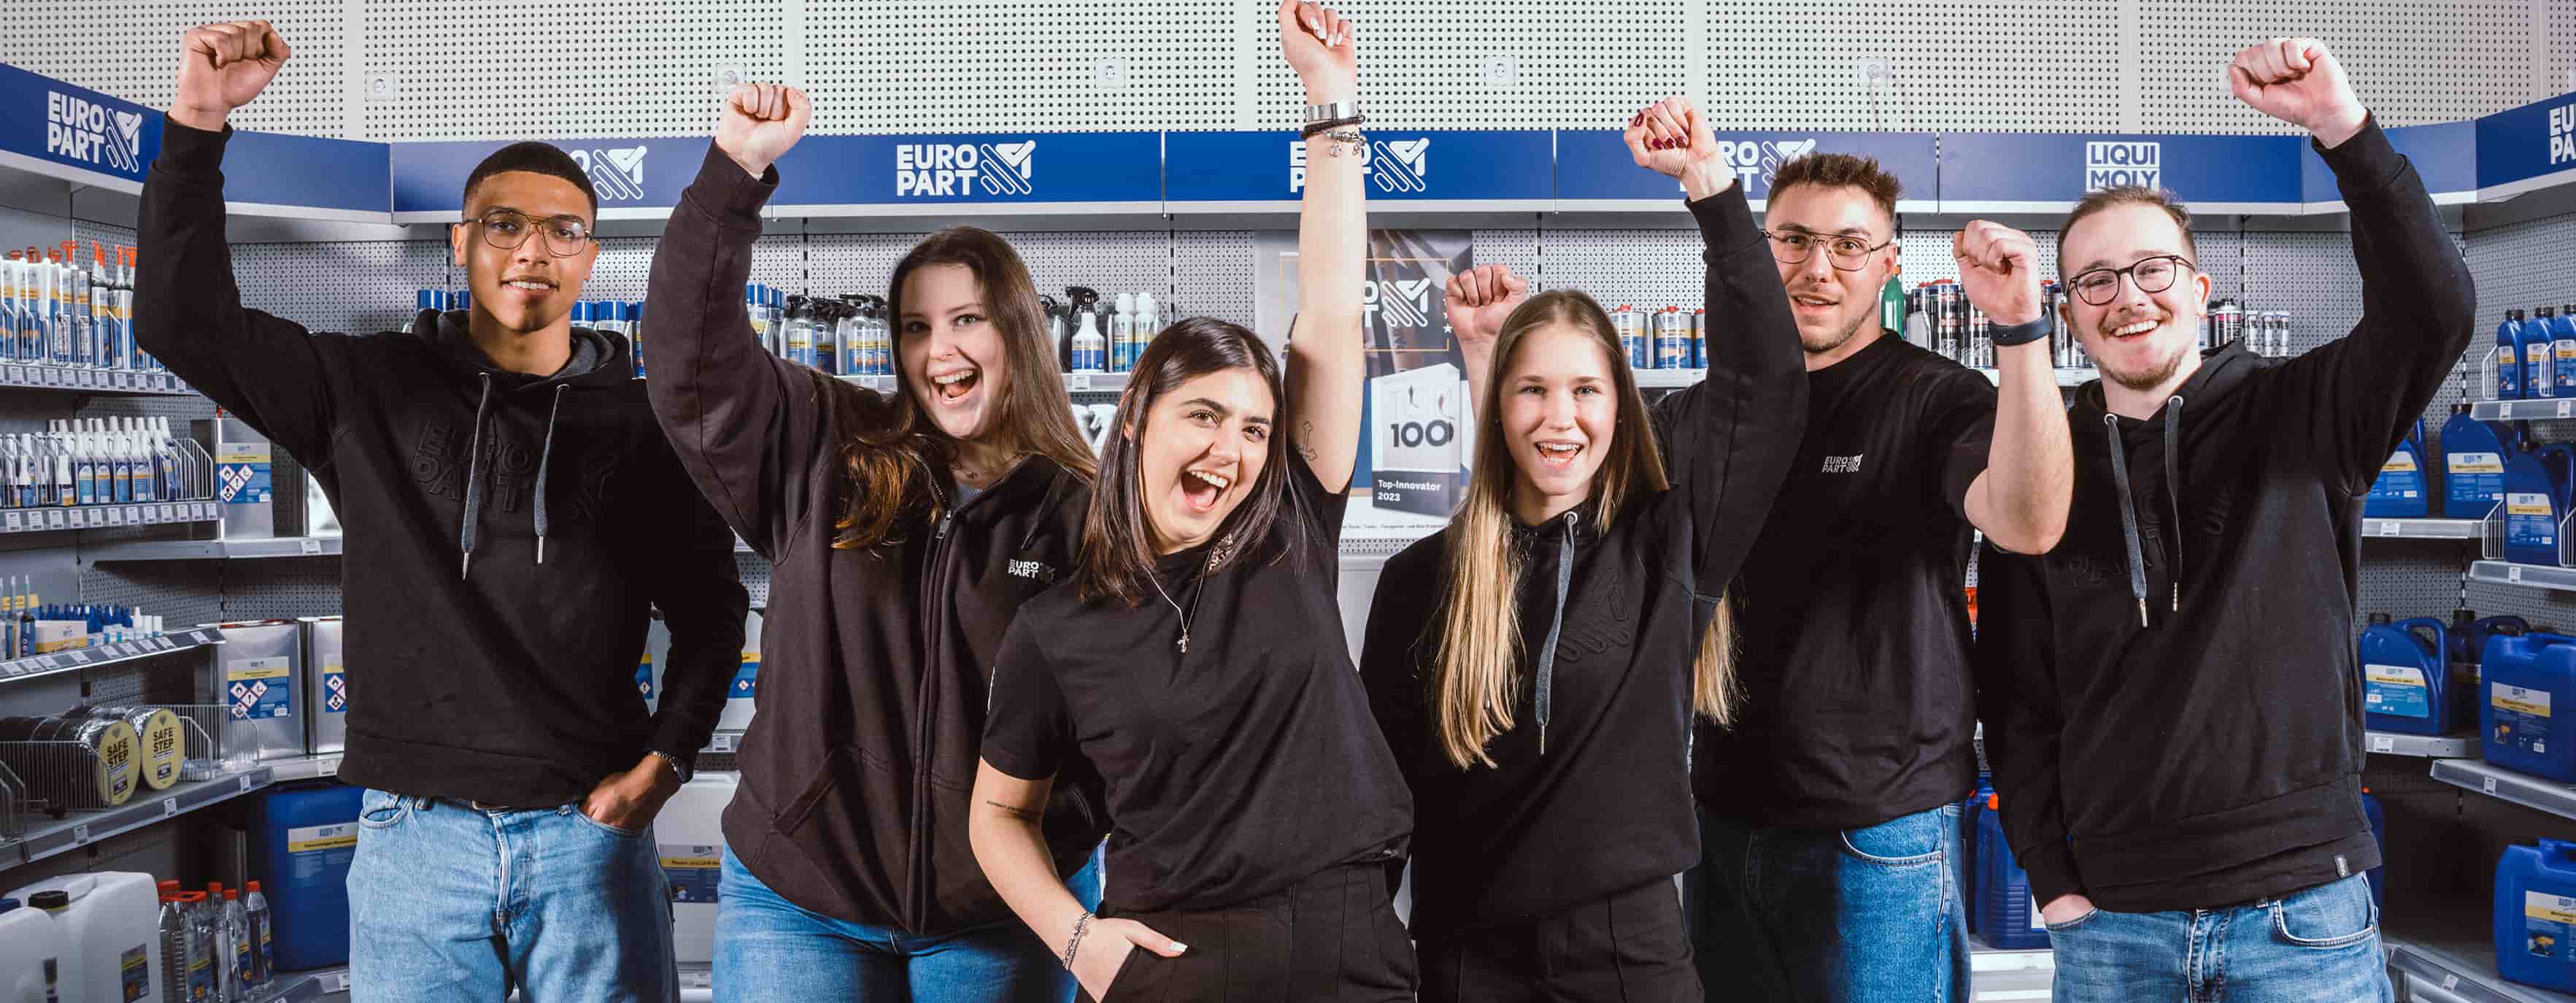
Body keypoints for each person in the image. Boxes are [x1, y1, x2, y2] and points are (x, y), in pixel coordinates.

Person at [137, 20, 747, 1002]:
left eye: (563, 230)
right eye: (503, 225)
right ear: (460, 244)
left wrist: (665, 763)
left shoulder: (646, 424)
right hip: (413, 843)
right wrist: (198, 125)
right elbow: (180, 322)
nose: (532, 250)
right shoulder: (362, 386)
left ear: (590, 259)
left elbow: (713, 614)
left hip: (586, 839)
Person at [1973, 39, 2469, 1003]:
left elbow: (2433, 311)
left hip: (2300, 916)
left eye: (2152, 269)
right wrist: (2050, 877)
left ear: (2200, 292)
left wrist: (2341, 129)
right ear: (2068, 317)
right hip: (2113, 926)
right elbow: (2015, 689)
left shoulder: (2305, 414)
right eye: (2094, 281)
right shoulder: (2037, 464)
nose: (2127, 297)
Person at [968, 4, 1412, 1000]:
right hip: (1173, 960)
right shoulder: (1056, 628)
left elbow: (1330, 309)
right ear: (1135, 417)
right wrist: (1079, 942)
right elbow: (996, 814)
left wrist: (1330, 104)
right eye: (1203, 416)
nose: (1231, 449)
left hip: (1348, 944)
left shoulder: (1289, 528)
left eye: (1254, 428)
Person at [639, 82, 1107, 999]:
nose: (940, 352)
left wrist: (1068, 830)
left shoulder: (1081, 510)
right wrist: (734, 171)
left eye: (967, 320)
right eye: (916, 328)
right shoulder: (830, 444)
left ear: (1018, 331)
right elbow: (690, 361)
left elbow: (1125, 717)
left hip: (1002, 912)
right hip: (800, 897)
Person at [1357, 96, 1805, 1002]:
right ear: (1496, 408)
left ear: (1622, 409)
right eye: (1530, 391)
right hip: (1463, 954)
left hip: (1624, 951)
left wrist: (1709, 186)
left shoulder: (1670, 546)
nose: (1558, 418)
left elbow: (1765, 384)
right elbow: (1381, 798)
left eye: (1585, 391)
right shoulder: (1421, 581)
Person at [1617, 120, 2070, 1003]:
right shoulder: (1695, 416)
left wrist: (2020, 332)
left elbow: (2026, 523)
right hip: (1720, 814)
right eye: (1790, 240)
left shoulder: (1935, 398)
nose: (1816, 269)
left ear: (1887, 264)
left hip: (1879, 831)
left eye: (1848, 246)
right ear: (1757, 252)